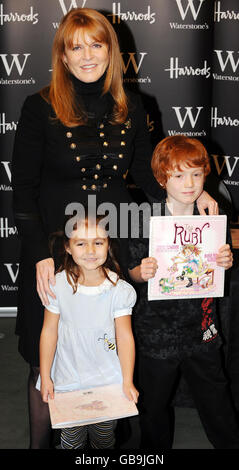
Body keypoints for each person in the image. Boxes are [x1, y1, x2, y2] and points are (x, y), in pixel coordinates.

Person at [11, 8, 217, 448]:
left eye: (96, 44)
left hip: (115, 241)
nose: (87, 55)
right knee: (46, 353)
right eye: (76, 46)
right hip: (56, 244)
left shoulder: (134, 106)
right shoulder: (38, 107)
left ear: (111, 51)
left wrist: (191, 193)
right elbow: (23, 189)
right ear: (63, 57)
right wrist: (41, 255)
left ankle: (106, 445)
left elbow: (147, 177)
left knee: (111, 346)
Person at [128, 135, 239, 449]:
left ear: (206, 175)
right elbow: (130, 271)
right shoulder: (142, 219)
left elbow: (221, 261)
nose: (189, 183)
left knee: (216, 398)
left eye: (196, 174)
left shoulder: (213, 216)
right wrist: (140, 272)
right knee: (153, 406)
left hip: (202, 329)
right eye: (178, 175)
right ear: (163, 179)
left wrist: (226, 261)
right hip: (157, 332)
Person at [37, 213, 138, 449]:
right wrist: (46, 376)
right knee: (71, 440)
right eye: (81, 243)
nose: (90, 250)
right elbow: (49, 332)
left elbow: (124, 336)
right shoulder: (57, 285)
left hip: (107, 378)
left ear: (108, 244)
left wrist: (127, 380)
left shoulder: (118, 290)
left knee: (104, 439)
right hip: (67, 376)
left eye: (98, 242)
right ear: (68, 247)